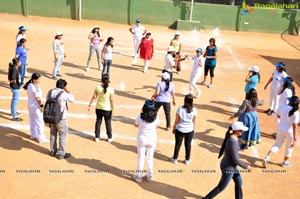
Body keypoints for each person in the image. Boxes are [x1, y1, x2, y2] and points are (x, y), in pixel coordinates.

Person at [202, 121, 252, 199]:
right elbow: (236, 159)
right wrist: (246, 167)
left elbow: (234, 150)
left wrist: (241, 148)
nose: (243, 131)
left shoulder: (233, 137)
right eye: (241, 130)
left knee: (239, 182)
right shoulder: (232, 141)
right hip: (228, 168)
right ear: (237, 131)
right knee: (221, 187)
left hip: (232, 166)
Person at [263, 96, 299, 168]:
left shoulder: (283, 107)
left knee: (277, 144)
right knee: (289, 147)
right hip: (290, 132)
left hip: (280, 129)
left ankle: (267, 157)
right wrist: (295, 139)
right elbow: (294, 126)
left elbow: (278, 116)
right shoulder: (296, 113)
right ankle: (285, 162)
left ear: (290, 102)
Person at [132, 100, 159, 183]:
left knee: (141, 158)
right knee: (150, 158)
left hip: (141, 139)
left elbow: (136, 124)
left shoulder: (140, 117)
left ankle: (139, 177)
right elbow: (156, 126)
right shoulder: (156, 117)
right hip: (152, 139)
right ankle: (149, 176)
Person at [47, 79, 75, 159]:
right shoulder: (64, 94)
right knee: (63, 135)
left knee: (53, 133)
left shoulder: (50, 92)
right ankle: (62, 153)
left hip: (51, 117)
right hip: (61, 118)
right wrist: (67, 91)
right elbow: (73, 99)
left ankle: (53, 151)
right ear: (64, 86)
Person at [170, 94, 197, 165]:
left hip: (180, 130)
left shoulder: (180, 109)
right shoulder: (194, 110)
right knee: (188, 145)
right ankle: (187, 160)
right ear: (192, 101)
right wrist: (193, 129)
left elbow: (176, 121)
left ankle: (175, 159)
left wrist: (174, 128)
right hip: (190, 130)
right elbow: (194, 121)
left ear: (184, 101)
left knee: (178, 144)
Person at [23, 73, 49, 143]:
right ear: (34, 80)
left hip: (30, 105)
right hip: (35, 106)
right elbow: (37, 98)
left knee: (32, 120)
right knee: (40, 122)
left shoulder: (30, 85)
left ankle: (33, 135)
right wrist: (41, 106)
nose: (39, 80)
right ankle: (41, 138)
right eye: (38, 79)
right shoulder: (34, 87)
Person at [88, 74, 114, 143]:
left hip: (98, 107)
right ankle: (109, 137)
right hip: (107, 108)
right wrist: (113, 109)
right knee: (108, 123)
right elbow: (111, 100)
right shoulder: (110, 89)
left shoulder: (97, 87)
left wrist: (90, 105)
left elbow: (94, 97)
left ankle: (97, 137)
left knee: (98, 121)